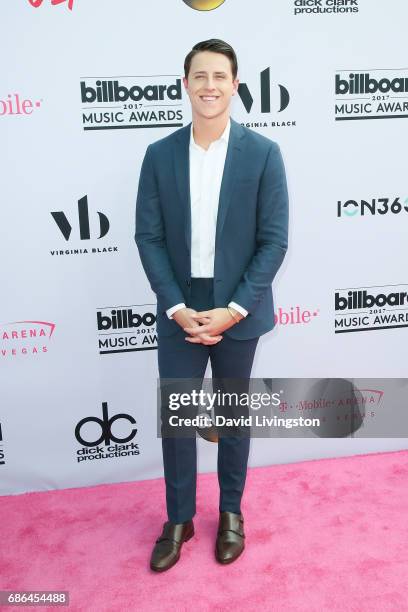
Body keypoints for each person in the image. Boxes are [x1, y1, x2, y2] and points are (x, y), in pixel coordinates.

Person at [135, 38, 289, 572]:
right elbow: (148, 238)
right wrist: (177, 307)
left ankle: (230, 514)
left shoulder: (264, 154)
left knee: (232, 416)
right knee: (176, 421)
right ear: (185, 85)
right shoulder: (159, 155)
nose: (209, 86)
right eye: (199, 76)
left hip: (237, 309)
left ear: (235, 84)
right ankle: (177, 520)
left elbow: (274, 241)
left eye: (219, 76)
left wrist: (234, 309)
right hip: (180, 307)